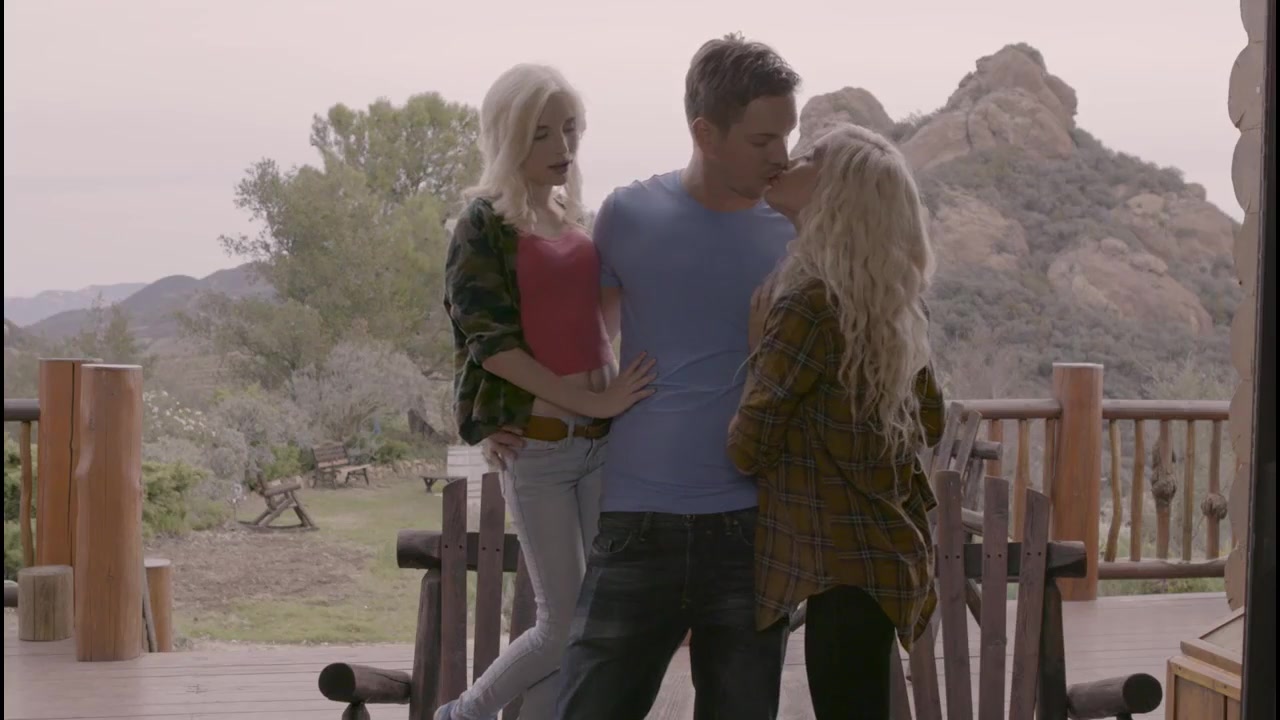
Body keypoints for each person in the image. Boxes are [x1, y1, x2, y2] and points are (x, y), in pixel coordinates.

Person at [491, 33, 802, 720]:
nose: (781, 155)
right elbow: (572, 336)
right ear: (705, 133)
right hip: (635, 523)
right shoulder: (628, 215)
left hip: (751, 530)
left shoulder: (794, 231)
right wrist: (500, 410)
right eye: (762, 140)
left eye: (787, 135)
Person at [438, 63, 657, 720]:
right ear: (507, 136)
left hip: (599, 444)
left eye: (569, 128)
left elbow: (586, 321)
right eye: (540, 134)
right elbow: (489, 343)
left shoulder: (568, 211)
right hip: (540, 449)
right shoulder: (482, 223)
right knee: (561, 627)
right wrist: (594, 400)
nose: (562, 146)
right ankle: (462, 714)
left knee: (594, 624)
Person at [726, 123, 945, 720]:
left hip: (834, 568)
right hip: (884, 557)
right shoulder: (893, 304)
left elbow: (746, 449)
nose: (791, 160)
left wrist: (757, 351)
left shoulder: (806, 305)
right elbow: (930, 422)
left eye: (812, 158)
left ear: (835, 195)